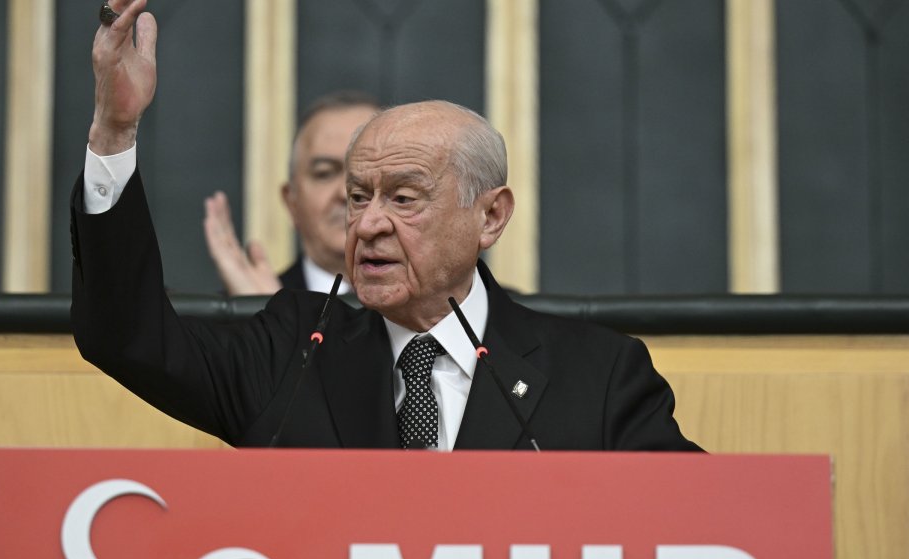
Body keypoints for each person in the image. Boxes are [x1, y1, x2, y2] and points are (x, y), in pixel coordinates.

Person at [72, 0, 702, 452]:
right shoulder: (289, 352)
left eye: (404, 198)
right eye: (357, 196)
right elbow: (125, 338)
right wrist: (115, 131)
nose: (369, 223)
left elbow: (698, 525)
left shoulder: (597, 375)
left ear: (490, 216)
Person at [202, 92, 379, 295]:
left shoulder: (423, 312)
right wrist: (265, 317)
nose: (344, 192)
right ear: (291, 202)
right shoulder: (247, 307)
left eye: (363, 172)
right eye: (324, 173)